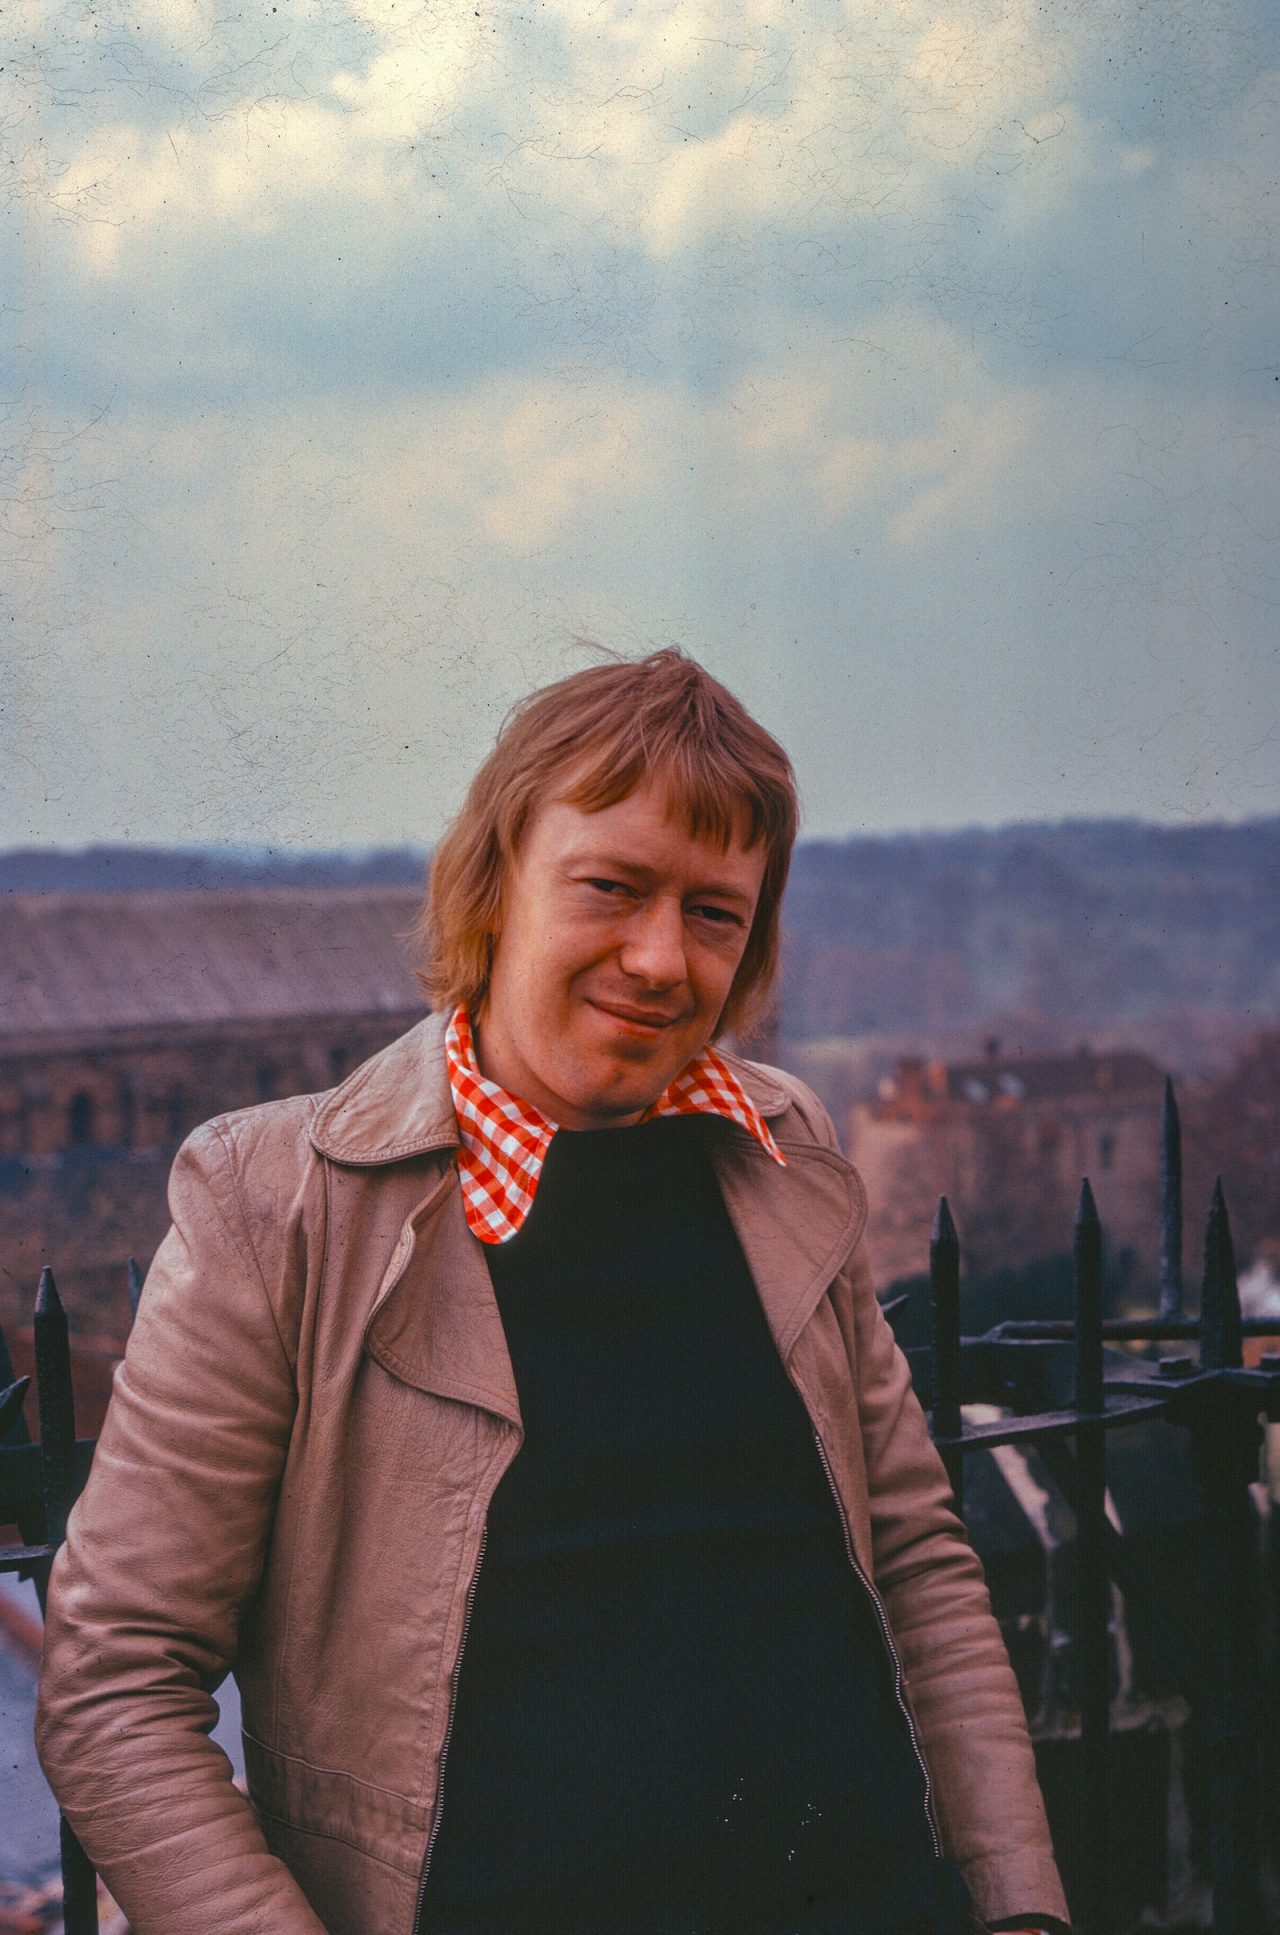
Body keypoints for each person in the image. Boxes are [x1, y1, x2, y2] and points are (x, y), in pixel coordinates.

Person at [37, 650, 1069, 1935]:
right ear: (493, 887)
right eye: (611, 888)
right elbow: (117, 1683)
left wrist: (1018, 1907)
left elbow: (915, 1564)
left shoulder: (782, 1151)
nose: (659, 958)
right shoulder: (277, 1200)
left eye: (714, 913)